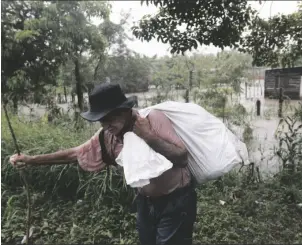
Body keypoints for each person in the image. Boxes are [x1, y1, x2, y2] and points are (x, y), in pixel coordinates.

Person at [10, 83, 197, 245]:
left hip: (176, 201)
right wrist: (31, 160)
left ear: (124, 111)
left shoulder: (152, 119)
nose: (106, 125)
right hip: (145, 203)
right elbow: (75, 153)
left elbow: (181, 158)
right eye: (101, 121)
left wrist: (148, 136)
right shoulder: (108, 136)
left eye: (110, 118)